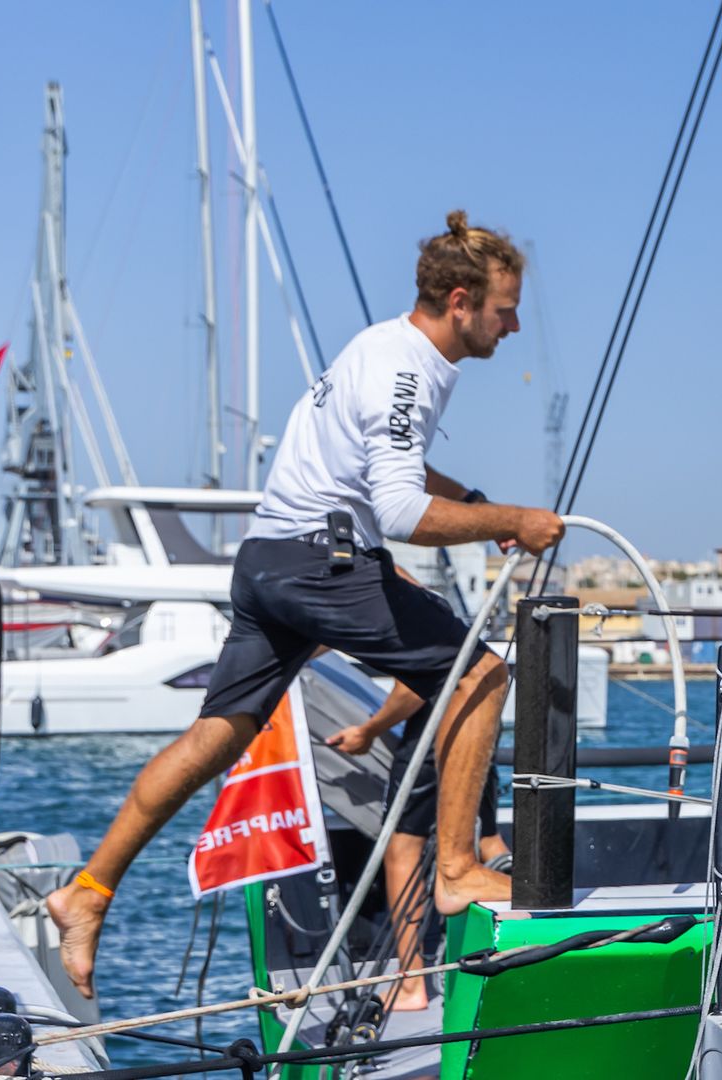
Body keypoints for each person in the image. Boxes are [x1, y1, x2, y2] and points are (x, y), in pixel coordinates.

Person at [46, 211, 566, 999]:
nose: (515, 325)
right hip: (320, 563)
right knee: (481, 676)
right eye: (505, 309)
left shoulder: (380, 347)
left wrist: (478, 502)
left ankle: (88, 892)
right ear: (461, 301)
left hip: (271, 561)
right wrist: (515, 522)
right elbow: (396, 511)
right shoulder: (407, 369)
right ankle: (456, 870)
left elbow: (392, 472)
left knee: (215, 737)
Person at [325, 679, 508, 1012]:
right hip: (477, 724)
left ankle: (411, 986)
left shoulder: (412, 630)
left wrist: (368, 730)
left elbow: (412, 689)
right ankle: (524, 947)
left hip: (431, 727)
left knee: (402, 848)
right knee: (488, 840)